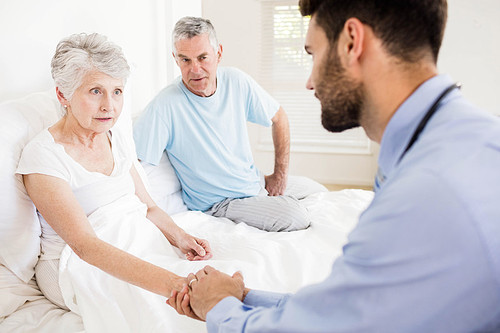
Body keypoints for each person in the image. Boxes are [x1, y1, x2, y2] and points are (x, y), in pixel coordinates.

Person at [167, 0, 500, 331]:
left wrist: (219, 307)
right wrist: (243, 296)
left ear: (352, 42)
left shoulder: (423, 191)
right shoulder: (458, 142)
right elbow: (342, 311)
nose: (309, 82)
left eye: (313, 54)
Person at [16, 33, 212, 319]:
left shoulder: (114, 136)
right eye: (96, 91)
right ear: (63, 95)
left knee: (220, 284)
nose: (110, 105)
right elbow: (86, 247)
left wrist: (181, 238)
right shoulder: (43, 156)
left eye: (117, 91)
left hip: (137, 242)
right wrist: (174, 285)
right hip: (79, 264)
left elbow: (150, 207)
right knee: (169, 310)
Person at [133, 16, 311, 232]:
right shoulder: (165, 105)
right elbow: (133, 162)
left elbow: (279, 117)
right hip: (220, 204)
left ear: (218, 54)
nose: (195, 69)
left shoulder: (236, 81)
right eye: (185, 60)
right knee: (296, 215)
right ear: (175, 59)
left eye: (202, 57)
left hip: (255, 183)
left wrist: (279, 176)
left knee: (316, 190)